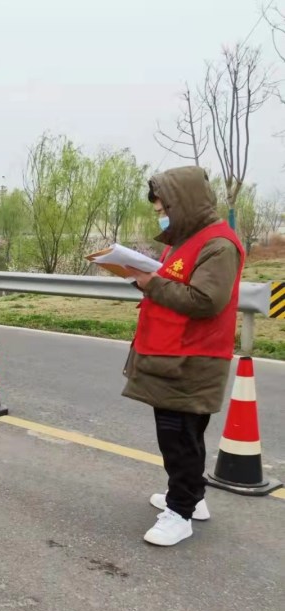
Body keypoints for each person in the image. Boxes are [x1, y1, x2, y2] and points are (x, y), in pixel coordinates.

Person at [123, 166, 244, 547]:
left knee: (179, 437)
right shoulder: (185, 240)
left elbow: (207, 301)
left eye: (163, 207)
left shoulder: (218, 245)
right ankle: (193, 497)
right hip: (170, 353)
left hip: (193, 358)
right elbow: (173, 283)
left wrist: (152, 283)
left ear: (183, 203)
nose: (161, 214)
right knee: (183, 435)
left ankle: (180, 512)